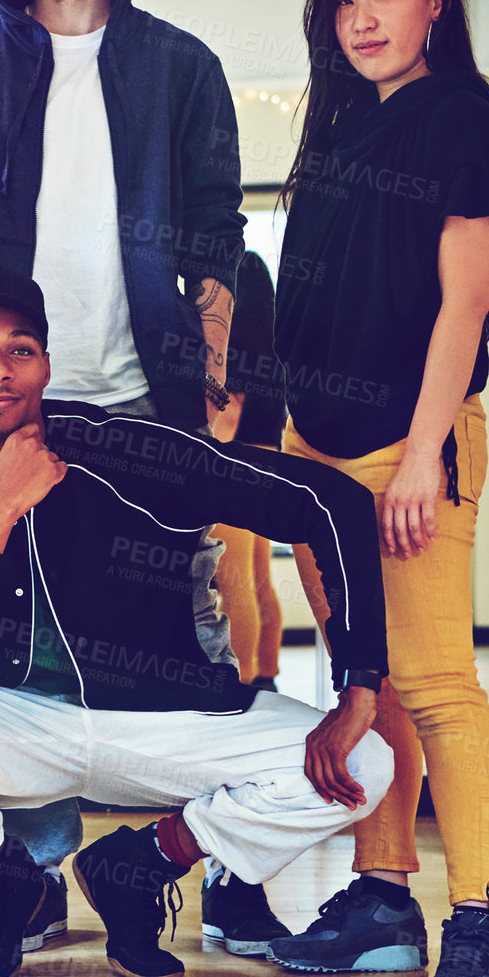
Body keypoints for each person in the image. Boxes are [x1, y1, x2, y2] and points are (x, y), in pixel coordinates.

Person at [0, 0, 269, 949]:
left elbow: (215, 241)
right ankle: (17, 882)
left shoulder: (180, 64)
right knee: (5, 638)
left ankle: (172, 872)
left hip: (143, 394)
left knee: (169, 634)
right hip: (8, 401)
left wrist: (211, 392)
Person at [0, 263, 394, 977]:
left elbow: (329, 503)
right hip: (12, 726)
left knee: (365, 765)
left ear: (44, 366)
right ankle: (5, 884)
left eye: (18, 350)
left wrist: (358, 685)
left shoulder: (121, 451)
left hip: (156, 716)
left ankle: (138, 866)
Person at [263, 0, 489, 977]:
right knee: (365, 681)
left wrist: (424, 455)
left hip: (404, 450)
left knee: (438, 685)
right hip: (316, 452)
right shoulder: (334, 130)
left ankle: (478, 925)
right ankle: (380, 894)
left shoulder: (462, 116)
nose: (361, 17)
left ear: (434, 3)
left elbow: (465, 298)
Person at [210, 250, 288, 692]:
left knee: (233, 585)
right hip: (266, 466)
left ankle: (243, 680)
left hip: (235, 468)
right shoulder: (273, 356)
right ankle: (268, 674)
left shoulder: (232, 356)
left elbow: (224, 425)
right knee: (259, 581)